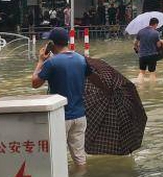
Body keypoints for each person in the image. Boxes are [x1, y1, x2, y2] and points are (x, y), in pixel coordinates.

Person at [31, 28, 107, 168]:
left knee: (56, 155)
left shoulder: (52, 63)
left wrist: (40, 61)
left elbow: (35, 83)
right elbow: (96, 80)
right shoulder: (81, 59)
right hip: (80, 116)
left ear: (52, 44)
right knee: (80, 158)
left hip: (60, 117)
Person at [134, 18, 163, 83]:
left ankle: (140, 87)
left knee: (141, 72)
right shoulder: (156, 33)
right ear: (155, 24)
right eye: (157, 25)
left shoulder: (140, 31)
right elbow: (158, 45)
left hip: (142, 55)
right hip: (152, 55)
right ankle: (152, 89)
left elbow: (135, 43)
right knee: (152, 73)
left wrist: (138, 49)